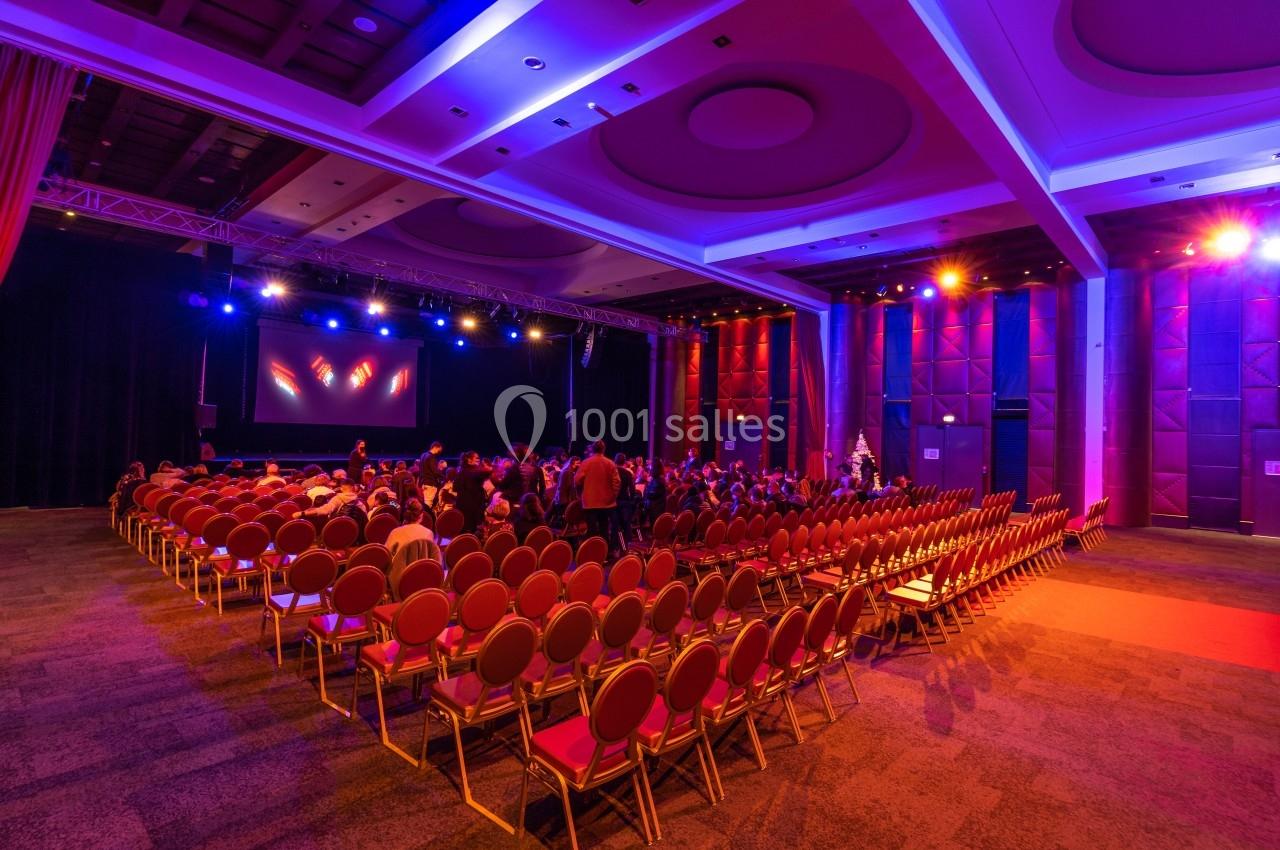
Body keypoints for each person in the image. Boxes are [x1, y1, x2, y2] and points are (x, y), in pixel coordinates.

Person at [385, 498, 441, 587]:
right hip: (422, 578)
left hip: (399, 581)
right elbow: (434, 559)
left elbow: (386, 558)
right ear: (421, 516)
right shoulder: (428, 533)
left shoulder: (395, 532)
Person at [575, 440, 620, 541]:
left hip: (589, 502)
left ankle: (592, 553)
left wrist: (580, 494)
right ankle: (605, 552)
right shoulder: (610, 463)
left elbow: (577, 480)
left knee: (591, 530)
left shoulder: (586, 463)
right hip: (606, 503)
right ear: (604, 449)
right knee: (604, 529)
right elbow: (617, 482)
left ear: (592, 449)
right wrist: (613, 496)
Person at [454, 451, 492, 533]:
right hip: (472, 503)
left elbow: (456, 487)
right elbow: (489, 472)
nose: (479, 459)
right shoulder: (474, 471)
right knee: (472, 527)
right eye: (476, 458)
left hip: (465, 503)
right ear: (469, 460)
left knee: (465, 527)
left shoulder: (462, 471)